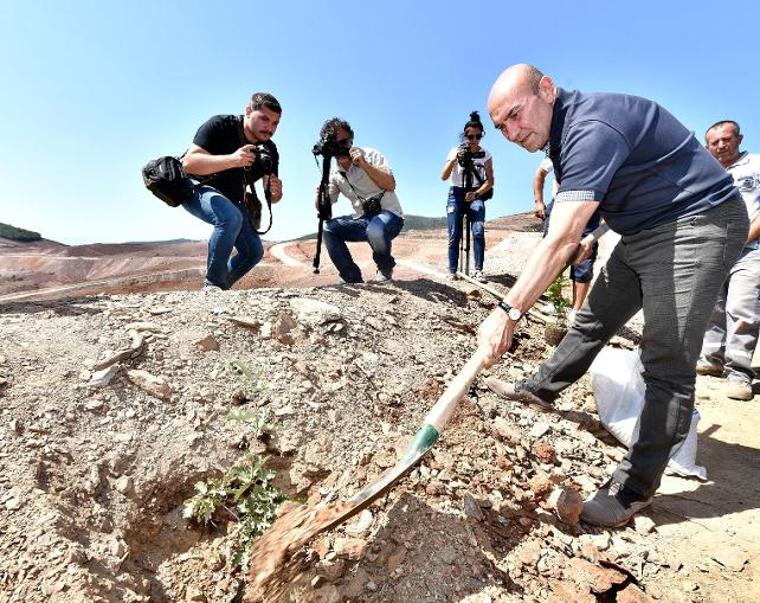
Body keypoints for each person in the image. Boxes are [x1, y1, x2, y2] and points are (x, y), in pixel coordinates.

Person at [479, 64, 747, 527]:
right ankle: (540, 389)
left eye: (515, 116)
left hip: (699, 223)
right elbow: (626, 181)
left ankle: (633, 488)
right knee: (593, 318)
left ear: (547, 90)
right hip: (644, 230)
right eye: (500, 125)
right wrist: (595, 229)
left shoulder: (590, 127)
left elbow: (558, 240)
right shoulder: (560, 136)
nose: (510, 132)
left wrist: (508, 310)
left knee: (666, 358)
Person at [181, 92, 284, 291]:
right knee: (231, 217)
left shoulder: (269, 149)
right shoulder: (220, 125)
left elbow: (273, 196)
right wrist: (233, 160)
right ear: (248, 111)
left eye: (275, 123)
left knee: (253, 251)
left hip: (232, 198)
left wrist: (276, 192)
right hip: (195, 186)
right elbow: (189, 164)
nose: (269, 128)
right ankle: (213, 285)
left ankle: (220, 288)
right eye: (264, 119)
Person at [696, 121, 760, 401]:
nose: (721, 145)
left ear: (739, 139)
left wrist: (742, 238)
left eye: (726, 139)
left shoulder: (756, 165)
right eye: (714, 142)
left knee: (741, 306)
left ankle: (740, 372)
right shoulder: (703, 174)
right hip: (711, 250)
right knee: (711, 306)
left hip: (751, 249)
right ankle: (711, 358)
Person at [316, 118, 404, 283]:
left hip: (390, 216)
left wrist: (364, 164)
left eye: (343, 142)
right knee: (328, 228)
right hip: (363, 220)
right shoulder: (334, 173)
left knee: (375, 229)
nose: (340, 148)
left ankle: (385, 268)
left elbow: (390, 184)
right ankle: (351, 276)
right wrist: (320, 195)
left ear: (351, 140)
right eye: (335, 145)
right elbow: (324, 209)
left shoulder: (371, 155)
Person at [534, 156, 601, 321]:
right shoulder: (564, 148)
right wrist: (538, 202)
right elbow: (540, 173)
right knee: (551, 254)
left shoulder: (602, 152)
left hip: (590, 206)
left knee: (584, 258)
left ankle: (576, 310)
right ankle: (553, 301)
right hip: (560, 205)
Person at [440, 111, 495, 282]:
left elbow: (490, 181)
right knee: (454, 234)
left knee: (478, 230)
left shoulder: (485, 154)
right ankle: (452, 271)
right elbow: (443, 176)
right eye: (471, 136)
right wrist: (455, 159)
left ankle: (478, 270)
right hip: (456, 193)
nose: (474, 140)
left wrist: (476, 194)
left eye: (478, 136)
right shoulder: (455, 151)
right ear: (465, 135)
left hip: (476, 193)